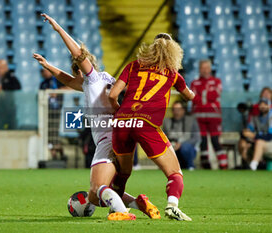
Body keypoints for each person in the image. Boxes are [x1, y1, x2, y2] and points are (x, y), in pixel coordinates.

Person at [34, 13, 161, 221]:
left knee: (97, 188)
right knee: (99, 193)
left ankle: (122, 213)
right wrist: (48, 66)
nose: (76, 77)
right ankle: (139, 203)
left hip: (107, 138)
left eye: (77, 71)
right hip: (120, 136)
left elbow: (78, 55)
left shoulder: (92, 79)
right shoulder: (103, 79)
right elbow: (69, 79)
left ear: (82, 69)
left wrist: (58, 29)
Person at [108, 33, 195, 221]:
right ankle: (172, 206)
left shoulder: (133, 66)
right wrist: (191, 92)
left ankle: (116, 207)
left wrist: (120, 112)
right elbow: (190, 96)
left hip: (121, 122)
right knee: (174, 173)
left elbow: (112, 95)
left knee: (123, 172)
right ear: (173, 52)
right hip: (146, 124)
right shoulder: (173, 74)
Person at [190, 60, 227, 169]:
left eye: (207, 67)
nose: (205, 70)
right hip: (198, 116)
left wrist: (202, 97)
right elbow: (193, 98)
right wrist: (205, 97)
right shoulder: (194, 83)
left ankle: (224, 165)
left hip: (213, 117)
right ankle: (206, 166)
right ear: (199, 69)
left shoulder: (217, 81)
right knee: (202, 141)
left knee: (215, 140)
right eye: (202, 68)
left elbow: (215, 95)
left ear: (210, 69)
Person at [238, 87, 272, 166]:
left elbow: (269, 136)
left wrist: (254, 136)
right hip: (260, 141)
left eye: (265, 104)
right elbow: (248, 131)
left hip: (269, 143)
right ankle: (247, 164)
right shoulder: (256, 118)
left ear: (269, 106)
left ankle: (253, 166)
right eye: (261, 104)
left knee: (259, 142)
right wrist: (246, 137)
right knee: (243, 143)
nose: (263, 106)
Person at [162, 101, 200, 170]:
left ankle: (190, 166)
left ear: (183, 110)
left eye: (178, 110)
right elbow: (163, 137)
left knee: (185, 148)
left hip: (187, 148)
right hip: (172, 147)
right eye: (174, 110)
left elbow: (196, 138)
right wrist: (171, 145)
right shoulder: (166, 121)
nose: (176, 112)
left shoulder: (191, 120)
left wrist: (181, 144)